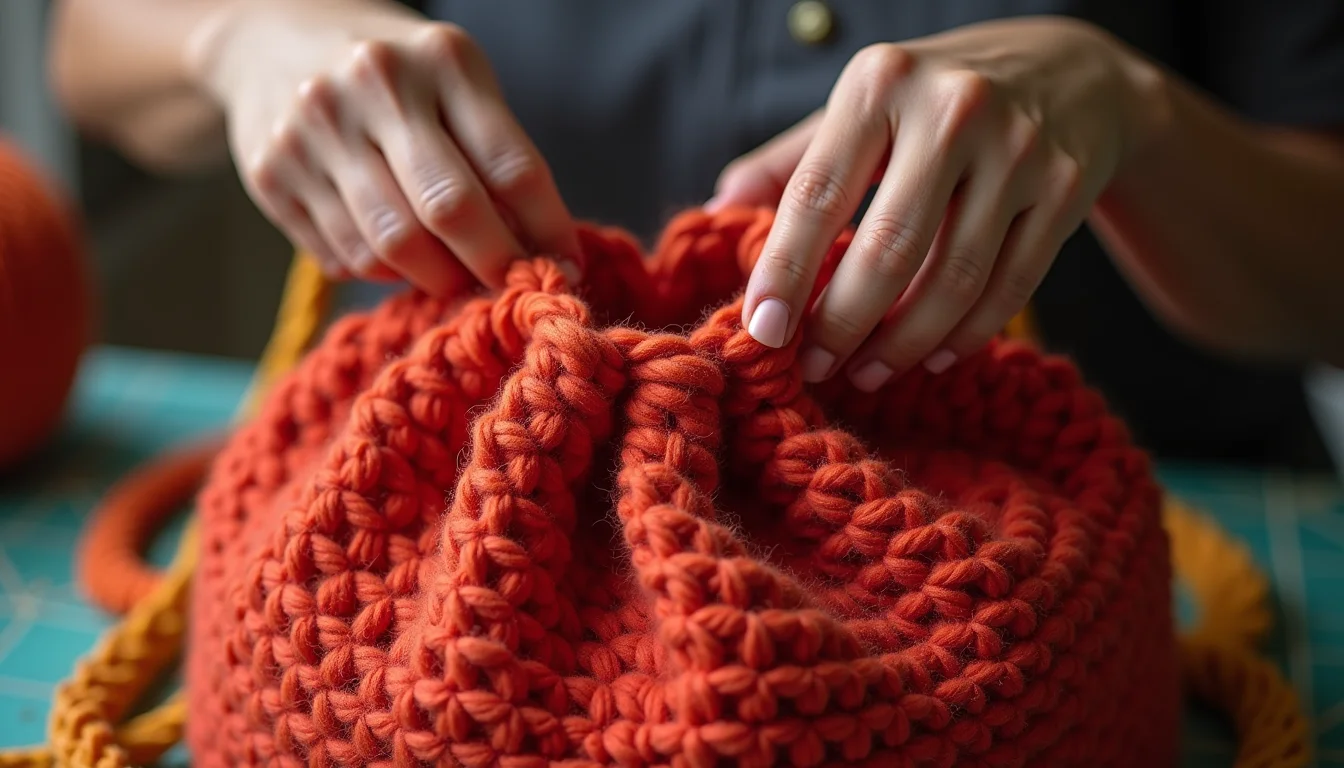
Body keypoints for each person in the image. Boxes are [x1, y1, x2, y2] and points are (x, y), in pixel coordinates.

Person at [47, 0, 1344, 470]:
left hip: (1175, 486)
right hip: (438, 479)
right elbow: (86, 47)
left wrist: (1133, 108)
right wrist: (240, 34)